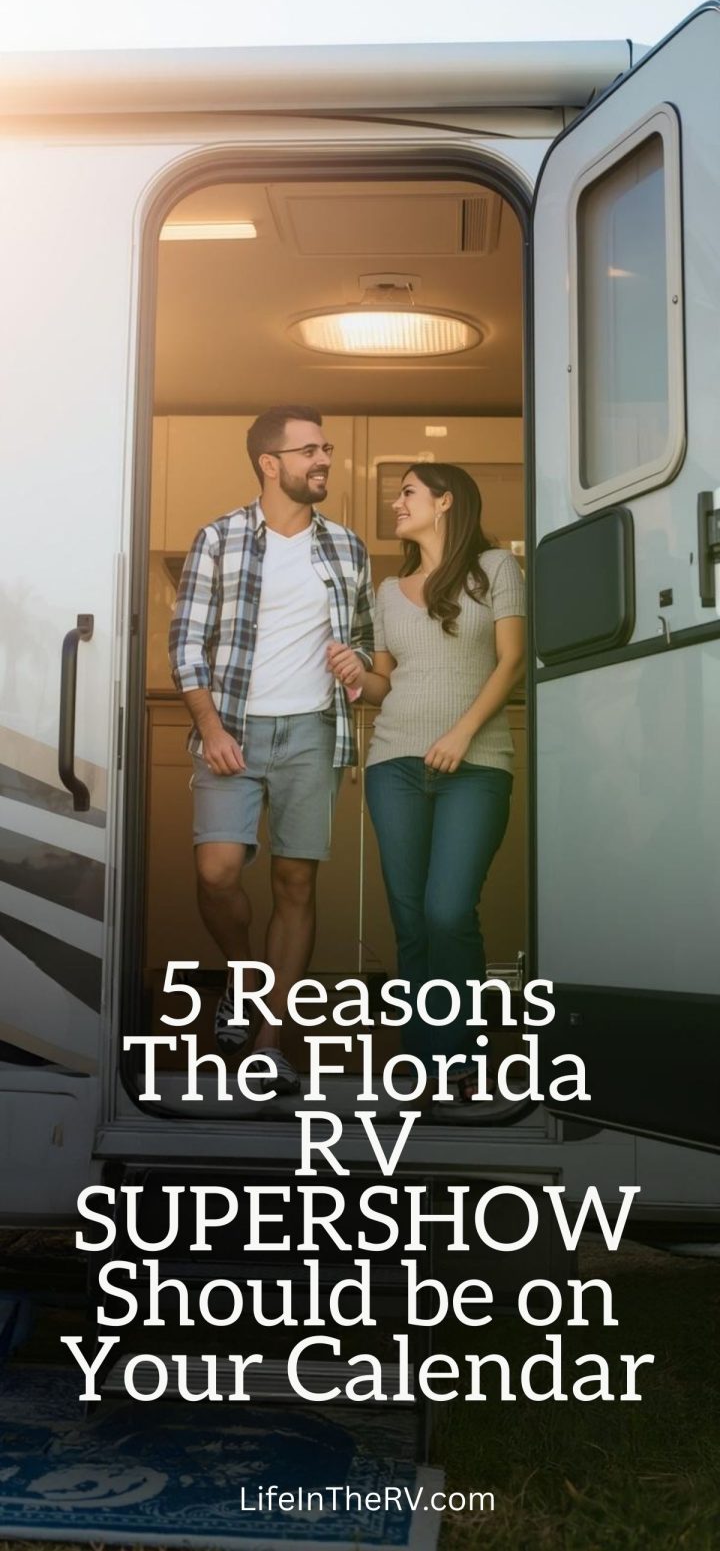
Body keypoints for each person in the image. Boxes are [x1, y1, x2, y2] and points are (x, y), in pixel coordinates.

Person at [169, 405, 374, 1095]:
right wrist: (214, 727)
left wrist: (357, 664)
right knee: (219, 871)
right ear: (269, 462)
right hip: (233, 728)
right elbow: (185, 649)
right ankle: (240, 973)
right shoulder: (220, 538)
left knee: (295, 883)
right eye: (309, 450)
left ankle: (269, 1037)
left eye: (327, 448)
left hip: (312, 732)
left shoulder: (346, 547)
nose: (324, 459)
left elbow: (367, 643)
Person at [327, 462, 525, 1101]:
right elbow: (384, 684)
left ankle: (461, 1058)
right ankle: (424, 1062)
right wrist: (354, 673)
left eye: (407, 492)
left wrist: (463, 732)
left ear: (445, 502)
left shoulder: (496, 570)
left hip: (477, 764)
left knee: (448, 911)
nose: (396, 503)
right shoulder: (389, 590)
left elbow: (513, 659)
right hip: (395, 765)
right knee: (411, 919)